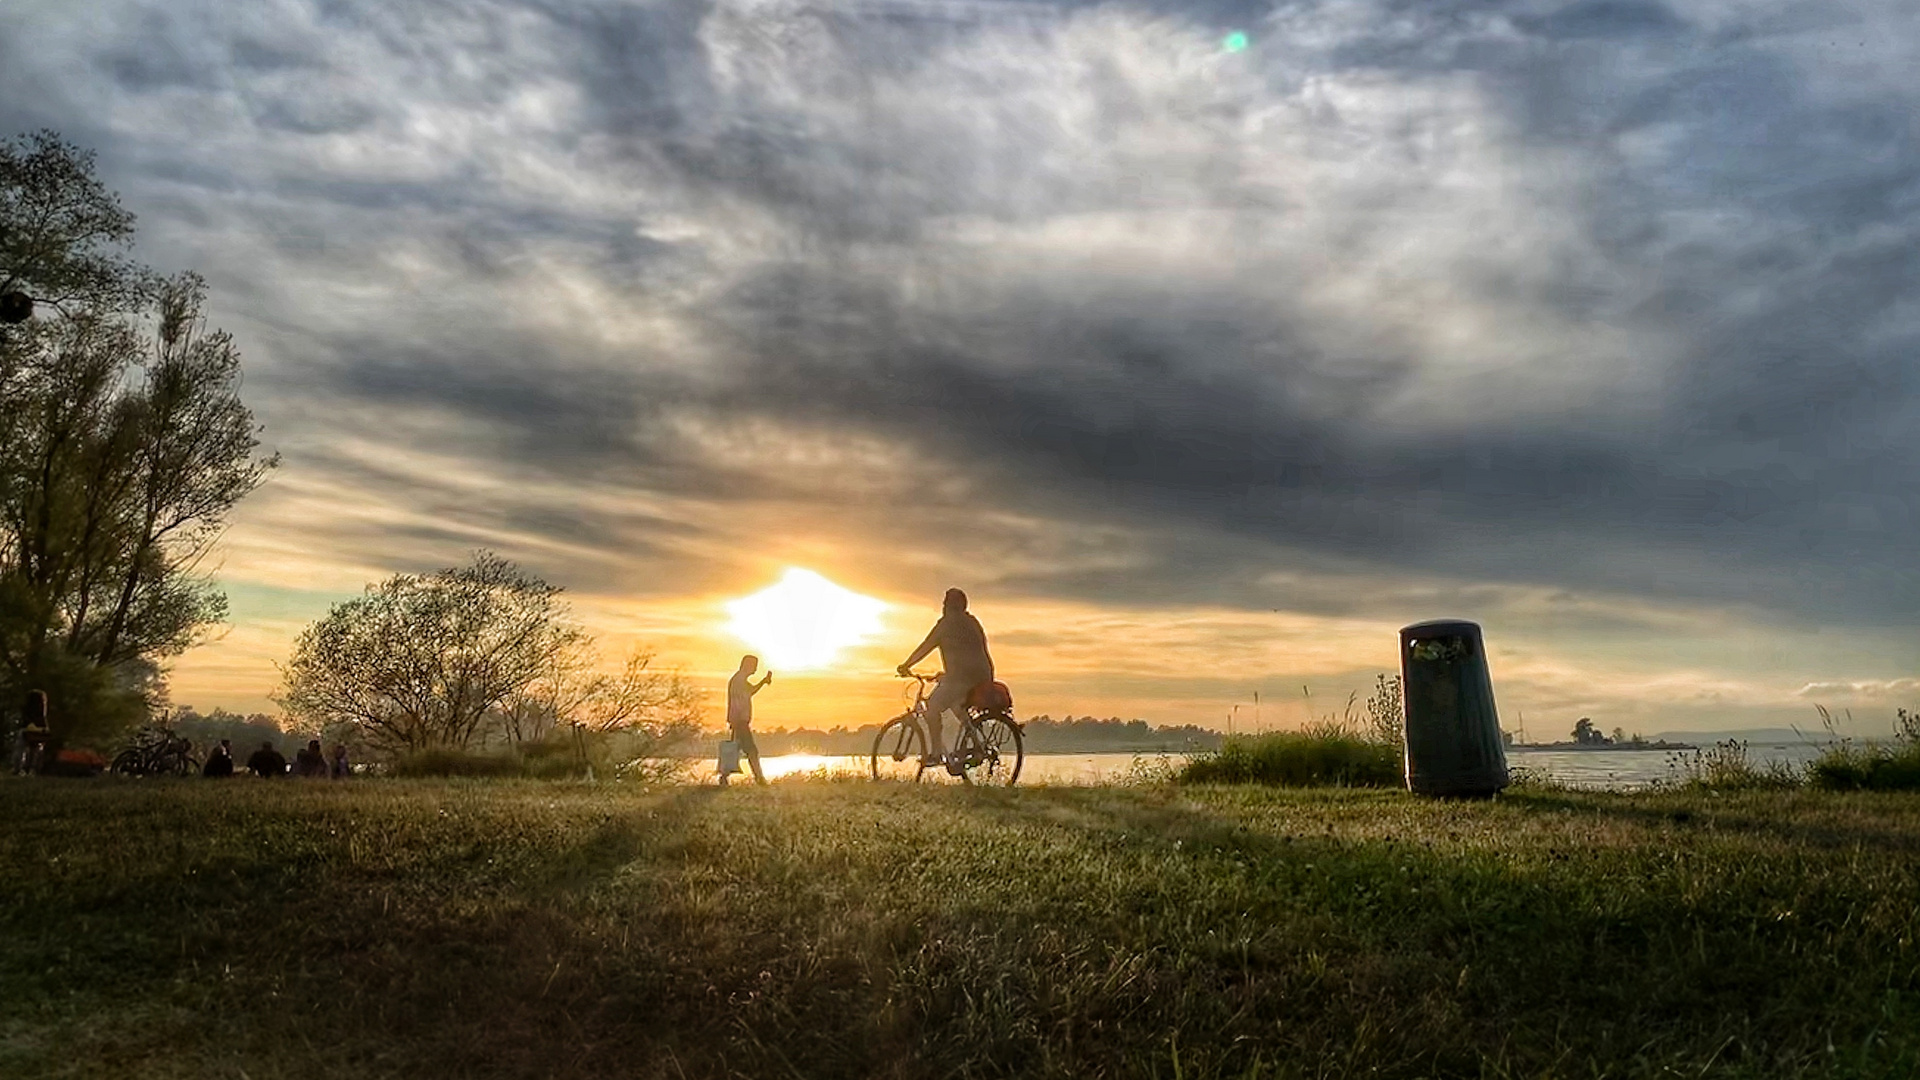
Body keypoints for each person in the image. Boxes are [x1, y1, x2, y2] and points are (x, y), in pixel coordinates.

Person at [897, 588, 994, 775]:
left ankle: (936, 753)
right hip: (981, 676)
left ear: (949, 606)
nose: (942, 606)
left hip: (963, 678)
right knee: (956, 705)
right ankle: (977, 745)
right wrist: (948, 674)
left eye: (945, 603)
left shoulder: (947, 624)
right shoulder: (972, 622)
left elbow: (926, 645)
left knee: (933, 706)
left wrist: (906, 665)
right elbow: (966, 652)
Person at [722, 654, 773, 786]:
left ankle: (724, 777)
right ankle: (760, 779)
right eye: (754, 666)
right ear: (747, 665)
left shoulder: (740, 680)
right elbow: (738, 701)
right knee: (751, 750)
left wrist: (763, 681)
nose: (755, 669)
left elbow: (750, 691)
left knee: (734, 750)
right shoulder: (738, 680)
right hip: (740, 721)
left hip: (738, 721)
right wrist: (737, 721)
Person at [12, 690, 50, 775]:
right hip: (31, 734)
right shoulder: (37, 714)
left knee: (28, 751)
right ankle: (28, 769)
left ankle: (23, 769)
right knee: (34, 752)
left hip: (31, 733)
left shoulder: (29, 712)